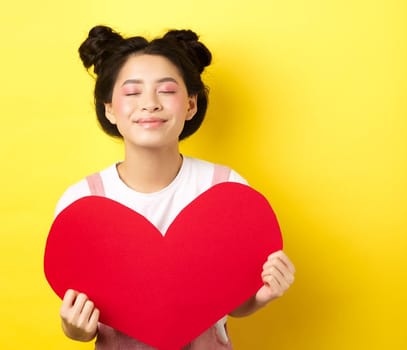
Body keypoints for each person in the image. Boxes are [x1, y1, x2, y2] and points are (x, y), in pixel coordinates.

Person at [54, 25, 296, 349]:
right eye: (131, 92)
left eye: (166, 90)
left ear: (191, 105)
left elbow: (232, 304)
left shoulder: (226, 191)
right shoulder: (82, 203)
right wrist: (76, 328)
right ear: (109, 108)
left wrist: (262, 295)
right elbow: (82, 323)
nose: (150, 103)